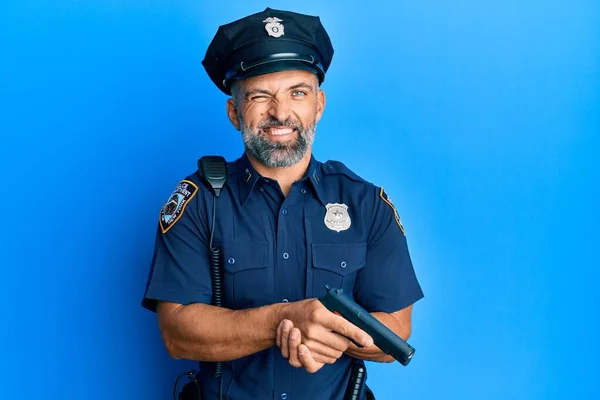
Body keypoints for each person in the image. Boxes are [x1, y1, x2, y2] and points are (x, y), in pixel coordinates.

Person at [141, 7, 424, 400]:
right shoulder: (198, 202)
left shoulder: (366, 203)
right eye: (260, 95)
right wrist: (284, 320)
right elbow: (177, 332)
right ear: (234, 112)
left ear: (318, 105)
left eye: (298, 93)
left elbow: (396, 330)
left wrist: (328, 333)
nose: (281, 113)